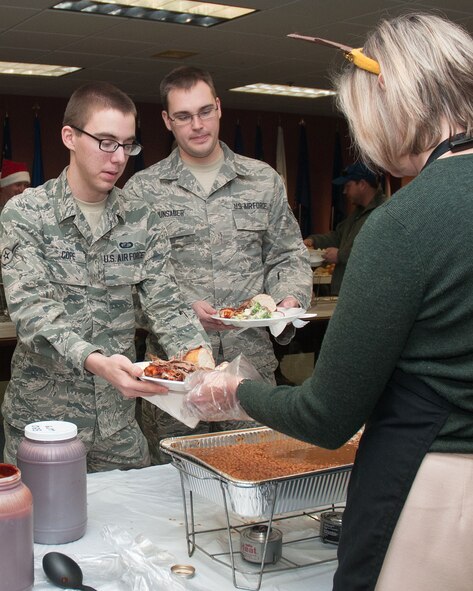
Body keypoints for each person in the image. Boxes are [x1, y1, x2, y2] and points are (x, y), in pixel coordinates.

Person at [184, 13, 473, 591]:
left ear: (392, 106)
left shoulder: (403, 225)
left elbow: (327, 416)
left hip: (435, 491)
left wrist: (236, 392)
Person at [0, 81, 211, 472]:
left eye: (128, 145)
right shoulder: (26, 214)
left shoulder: (141, 218)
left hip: (117, 424)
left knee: (139, 525)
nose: (118, 158)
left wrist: (200, 360)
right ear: (70, 137)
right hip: (46, 424)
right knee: (39, 530)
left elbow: (166, 303)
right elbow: (33, 313)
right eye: (106, 142)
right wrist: (96, 361)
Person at [125, 66, 313, 463]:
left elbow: (288, 254)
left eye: (205, 111)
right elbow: (128, 282)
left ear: (219, 108)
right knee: (173, 482)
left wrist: (289, 298)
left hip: (250, 370)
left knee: (254, 470)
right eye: (183, 116)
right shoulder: (143, 190)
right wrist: (182, 312)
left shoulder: (262, 180)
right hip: (176, 375)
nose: (197, 125)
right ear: (166, 121)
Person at [303, 161, 386, 294]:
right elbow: (338, 236)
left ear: (362, 184)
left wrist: (340, 255)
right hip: (347, 292)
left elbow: (378, 252)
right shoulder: (357, 213)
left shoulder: (384, 212)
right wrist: (314, 241)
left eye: (348, 186)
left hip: (366, 294)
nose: (344, 191)